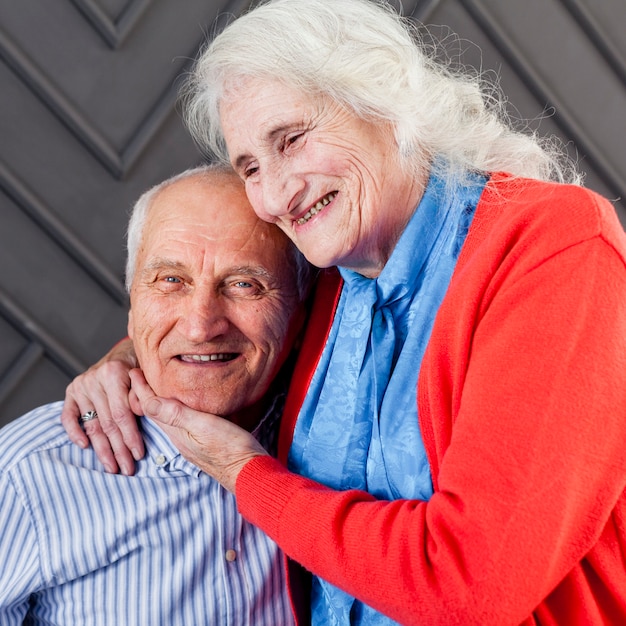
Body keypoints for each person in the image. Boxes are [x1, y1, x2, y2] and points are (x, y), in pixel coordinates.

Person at [62, 0, 626, 623]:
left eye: (293, 139)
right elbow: (222, 318)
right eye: (250, 165)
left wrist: (243, 472)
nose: (274, 194)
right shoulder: (336, 271)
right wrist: (123, 361)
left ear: (384, 101)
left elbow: (470, 586)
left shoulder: (552, 245)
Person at [0, 164, 312, 624]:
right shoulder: (24, 476)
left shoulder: (346, 442)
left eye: (244, 284)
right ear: (133, 308)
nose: (200, 326)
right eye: (170, 281)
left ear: (301, 314)